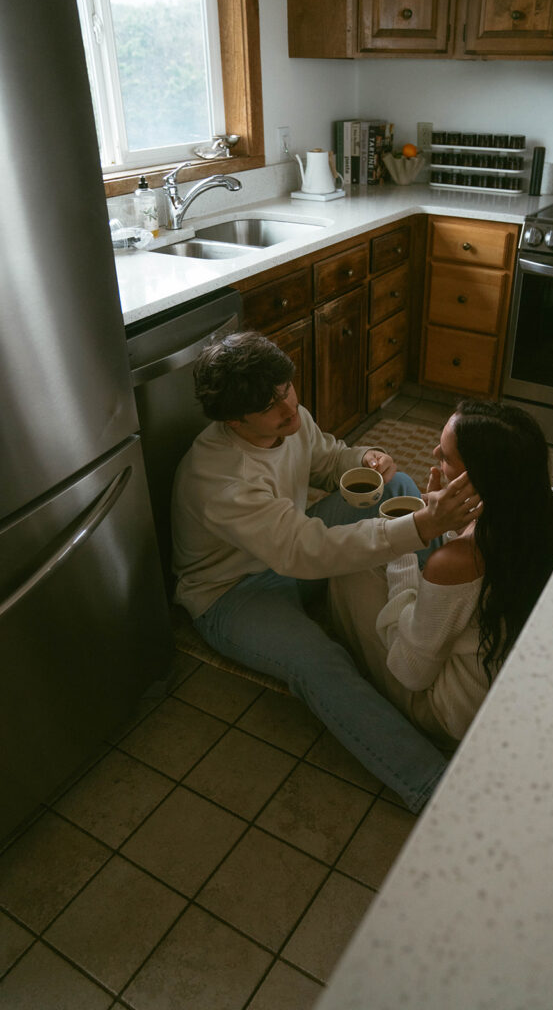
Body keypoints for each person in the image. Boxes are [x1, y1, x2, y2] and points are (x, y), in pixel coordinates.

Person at [171, 331, 481, 812]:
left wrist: (365, 458)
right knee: (319, 662)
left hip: (289, 555)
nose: (289, 408)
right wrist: (421, 528)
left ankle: (426, 621)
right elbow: (304, 549)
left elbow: (328, 460)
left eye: (287, 390)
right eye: (271, 406)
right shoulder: (221, 478)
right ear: (234, 420)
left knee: (395, 485)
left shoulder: (287, 420)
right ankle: (433, 789)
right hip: (233, 592)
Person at [329, 399, 553, 748]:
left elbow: (411, 672)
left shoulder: (457, 561)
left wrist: (404, 545)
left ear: (474, 478)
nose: (434, 454)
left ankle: (352, 659)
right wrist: (446, 525)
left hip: (452, 715)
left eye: (444, 456)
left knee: (350, 565)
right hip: (503, 678)